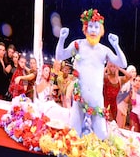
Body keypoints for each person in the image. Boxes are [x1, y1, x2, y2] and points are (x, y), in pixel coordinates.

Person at [53, 9, 127, 140]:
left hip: (96, 100)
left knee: (101, 136)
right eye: (90, 27)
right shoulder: (78, 44)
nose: (93, 30)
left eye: (96, 27)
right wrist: (62, 39)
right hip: (79, 98)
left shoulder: (104, 50)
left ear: (101, 30)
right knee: (74, 134)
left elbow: (123, 63)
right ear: (85, 28)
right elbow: (60, 55)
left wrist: (116, 46)